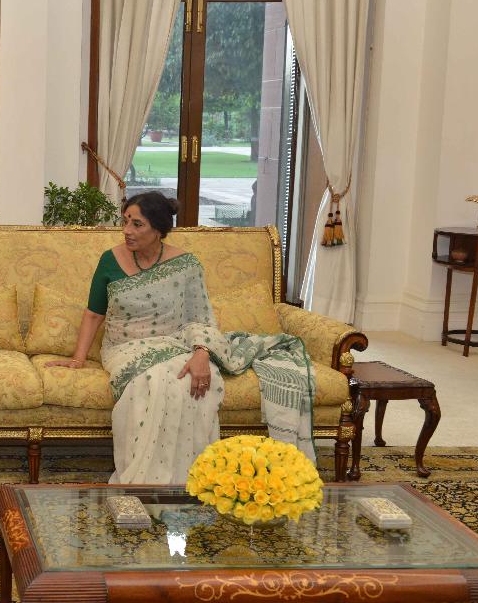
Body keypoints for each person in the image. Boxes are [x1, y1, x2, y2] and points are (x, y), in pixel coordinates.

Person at [46, 192, 316, 483]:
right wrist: (78, 359)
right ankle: (146, 481)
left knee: (193, 381)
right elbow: (93, 314)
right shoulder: (110, 260)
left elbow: (201, 319)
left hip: (177, 343)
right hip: (124, 347)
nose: (127, 230)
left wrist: (201, 353)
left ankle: (190, 481)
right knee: (153, 381)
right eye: (125, 221)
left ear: (158, 229)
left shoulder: (186, 266)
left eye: (137, 224)